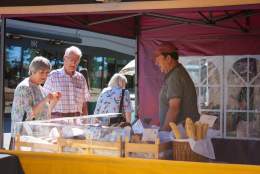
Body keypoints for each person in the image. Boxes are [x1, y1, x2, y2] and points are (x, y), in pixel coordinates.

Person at [11, 56, 61, 147]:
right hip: (24, 140)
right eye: (41, 72)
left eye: (47, 73)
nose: (45, 76)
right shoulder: (24, 87)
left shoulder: (39, 87)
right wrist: (46, 99)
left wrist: (54, 101)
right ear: (32, 71)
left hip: (38, 139)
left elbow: (45, 113)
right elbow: (27, 115)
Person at [154, 42, 200, 131]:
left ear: (168, 58)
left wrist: (164, 132)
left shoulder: (175, 76)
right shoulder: (177, 73)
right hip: (183, 132)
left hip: (179, 135)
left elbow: (174, 108)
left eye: (158, 59)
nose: (156, 63)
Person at [44, 46, 90, 118]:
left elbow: (84, 104)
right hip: (57, 121)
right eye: (71, 60)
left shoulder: (81, 78)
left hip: (76, 121)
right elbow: (44, 101)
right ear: (65, 58)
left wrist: (85, 121)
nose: (74, 63)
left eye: (76, 60)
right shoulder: (53, 76)